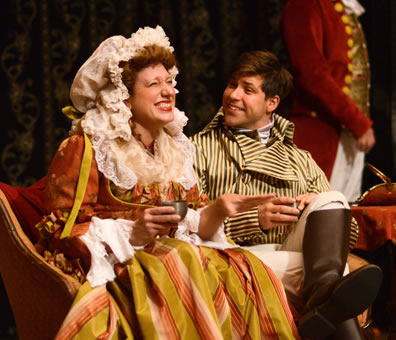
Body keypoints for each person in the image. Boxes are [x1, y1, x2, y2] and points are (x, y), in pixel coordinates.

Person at [34, 26, 300, 339]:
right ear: (124, 98)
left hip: (178, 261)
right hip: (121, 270)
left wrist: (221, 208)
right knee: (180, 258)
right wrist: (134, 234)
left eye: (170, 82)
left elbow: (194, 224)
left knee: (243, 266)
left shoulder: (175, 151)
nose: (169, 91)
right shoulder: (88, 148)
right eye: (154, 84)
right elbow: (62, 233)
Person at [192, 50, 382, 339]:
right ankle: (325, 300)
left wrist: (313, 209)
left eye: (248, 89)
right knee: (335, 276)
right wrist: (255, 220)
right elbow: (189, 226)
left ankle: (322, 298)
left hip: (289, 252)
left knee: (331, 199)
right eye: (232, 84)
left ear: (272, 103)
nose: (233, 95)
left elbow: (349, 232)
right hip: (229, 256)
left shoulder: (299, 159)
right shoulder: (200, 149)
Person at [280, 0, 375, 203]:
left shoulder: (339, 7)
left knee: (346, 215)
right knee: (318, 215)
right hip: (320, 131)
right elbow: (312, 74)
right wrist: (357, 121)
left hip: (345, 135)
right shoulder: (306, 4)